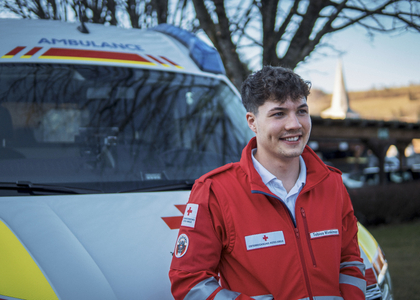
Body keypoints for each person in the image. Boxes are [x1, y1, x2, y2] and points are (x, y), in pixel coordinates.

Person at [169, 66, 366, 300]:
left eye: (301, 111)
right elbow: (190, 281)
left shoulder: (332, 183)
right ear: (252, 122)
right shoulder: (215, 191)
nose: (294, 124)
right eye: (279, 113)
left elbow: (350, 260)